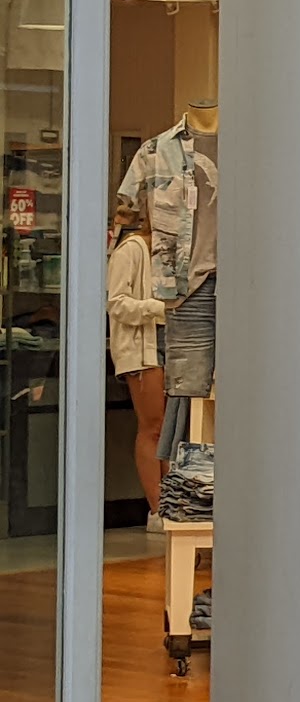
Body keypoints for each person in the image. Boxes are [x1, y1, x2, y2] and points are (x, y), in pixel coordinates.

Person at [106, 201, 167, 528]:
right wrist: (156, 308)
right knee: (153, 427)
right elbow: (116, 303)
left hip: (175, 344)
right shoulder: (131, 250)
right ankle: (157, 509)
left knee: (171, 431)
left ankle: (173, 504)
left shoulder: (180, 254)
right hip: (143, 348)